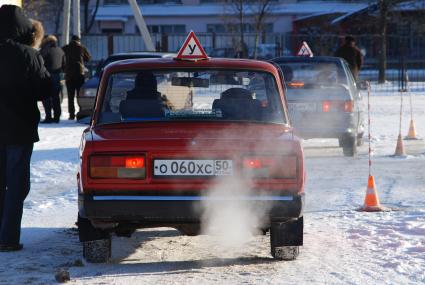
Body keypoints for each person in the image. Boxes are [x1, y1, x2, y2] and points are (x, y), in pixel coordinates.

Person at [0, 5, 51, 251]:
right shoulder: (28, 54)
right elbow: (44, 90)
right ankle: (8, 238)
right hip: (19, 129)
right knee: (17, 183)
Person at [62, 35, 91, 120]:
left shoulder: (65, 48)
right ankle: (81, 113)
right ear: (78, 41)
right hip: (79, 75)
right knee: (80, 95)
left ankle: (71, 115)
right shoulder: (81, 48)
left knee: (70, 97)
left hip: (69, 76)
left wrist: (64, 69)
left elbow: (62, 59)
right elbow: (88, 58)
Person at [40, 35, 65, 123]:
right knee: (56, 97)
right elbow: (64, 64)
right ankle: (57, 117)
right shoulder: (60, 50)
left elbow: (40, 63)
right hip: (57, 76)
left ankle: (48, 117)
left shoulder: (45, 50)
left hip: (46, 76)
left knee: (46, 97)